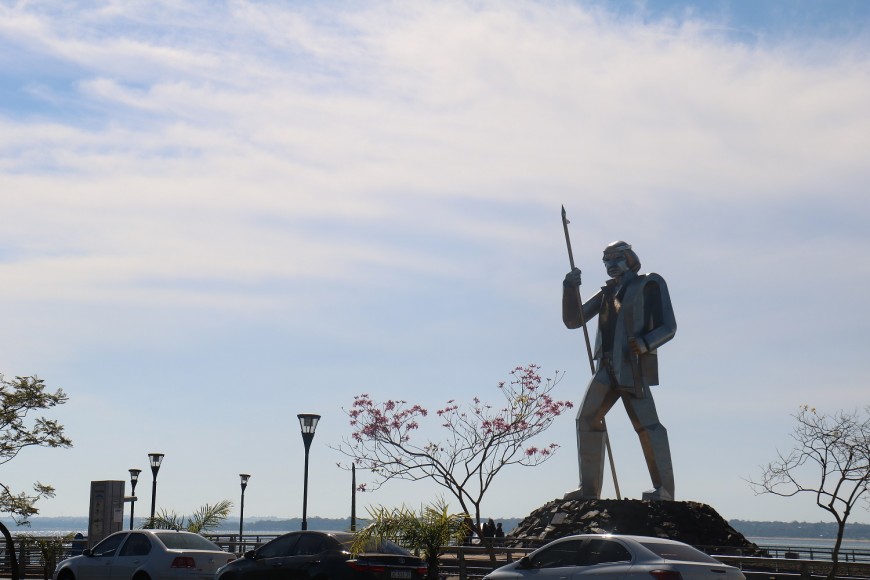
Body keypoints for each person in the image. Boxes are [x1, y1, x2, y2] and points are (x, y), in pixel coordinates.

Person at [562, 241, 677, 501]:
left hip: (631, 367)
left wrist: (647, 343)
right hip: (605, 366)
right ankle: (588, 489)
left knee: (647, 425)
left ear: (629, 257)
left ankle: (665, 490)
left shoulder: (649, 283)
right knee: (586, 419)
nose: (611, 264)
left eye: (615, 258)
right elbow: (574, 320)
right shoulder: (606, 293)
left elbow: (669, 326)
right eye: (606, 260)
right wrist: (570, 288)